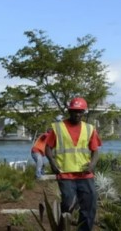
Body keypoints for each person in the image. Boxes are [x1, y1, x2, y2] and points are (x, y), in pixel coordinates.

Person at [45, 97, 102, 231]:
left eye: (80, 111)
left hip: (85, 174)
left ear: (83, 113)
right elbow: (48, 148)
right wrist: (53, 163)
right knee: (68, 204)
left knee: (90, 204)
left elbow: (95, 151)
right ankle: (64, 228)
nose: (77, 114)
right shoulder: (58, 128)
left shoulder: (89, 129)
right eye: (75, 111)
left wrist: (92, 165)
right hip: (65, 174)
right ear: (69, 111)